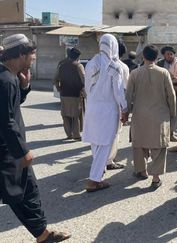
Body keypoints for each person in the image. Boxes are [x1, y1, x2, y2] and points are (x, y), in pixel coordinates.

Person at [0, 34, 70, 242]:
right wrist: (22, 151)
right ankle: (42, 234)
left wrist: (24, 87)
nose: (34, 59)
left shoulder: (9, 78)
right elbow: (6, 120)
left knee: (24, 191)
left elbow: (10, 107)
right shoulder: (5, 80)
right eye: (32, 55)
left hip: (8, 149)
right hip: (8, 151)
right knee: (22, 192)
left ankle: (42, 234)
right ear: (21, 54)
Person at [122, 45, 176, 188]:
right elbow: (171, 95)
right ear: (157, 57)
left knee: (139, 145)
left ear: (143, 57)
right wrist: (172, 113)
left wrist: (125, 113)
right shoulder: (164, 73)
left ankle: (141, 171)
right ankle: (156, 178)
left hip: (139, 115)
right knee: (158, 147)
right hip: (159, 116)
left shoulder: (134, 73)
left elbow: (128, 96)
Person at [82, 34, 127, 192]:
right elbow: (119, 92)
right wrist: (125, 108)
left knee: (96, 142)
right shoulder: (115, 67)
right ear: (114, 46)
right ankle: (94, 180)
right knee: (105, 144)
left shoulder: (91, 63)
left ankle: (98, 173)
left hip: (93, 108)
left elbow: (87, 88)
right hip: (108, 110)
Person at [105, 41, 130, 171]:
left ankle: (102, 159)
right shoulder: (121, 67)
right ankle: (109, 161)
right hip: (115, 106)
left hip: (100, 106)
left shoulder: (99, 63)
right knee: (114, 133)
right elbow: (125, 89)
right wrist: (125, 109)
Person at [53, 47, 85, 141]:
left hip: (64, 94)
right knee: (75, 115)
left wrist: (59, 89)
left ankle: (69, 134)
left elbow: (55, 79)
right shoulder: (79, 66)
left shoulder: (62, 65)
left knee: (65, 114)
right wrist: (85, 92)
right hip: (76, 94)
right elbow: (84, 80)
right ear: (78, 57)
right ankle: (76, 135)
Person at [157, 46, 177, 142]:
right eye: (167, 54)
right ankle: (163, 133)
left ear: (174, 55)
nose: (169, 56)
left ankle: (172, 133)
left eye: (171, 54)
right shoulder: (159, 64)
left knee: (175, 114)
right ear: (164, 55)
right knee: (163, 114)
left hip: (176, 92)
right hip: (163, 93)